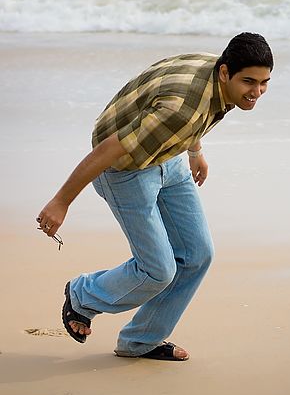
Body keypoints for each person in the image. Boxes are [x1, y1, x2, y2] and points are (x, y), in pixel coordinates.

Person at [36, 32, 273, 361]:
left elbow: (187, 117)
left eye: (264, 83)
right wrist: (62, 200)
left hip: (167, 156)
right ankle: (82, 295)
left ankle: (141, 341)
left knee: (197, 254)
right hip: (124, 171)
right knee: (157, 270)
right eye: (249, 82)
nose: (257, 92)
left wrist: (195, 151)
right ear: (224, 72)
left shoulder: (215, 75)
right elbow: (109, 150)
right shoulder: (181, 110)